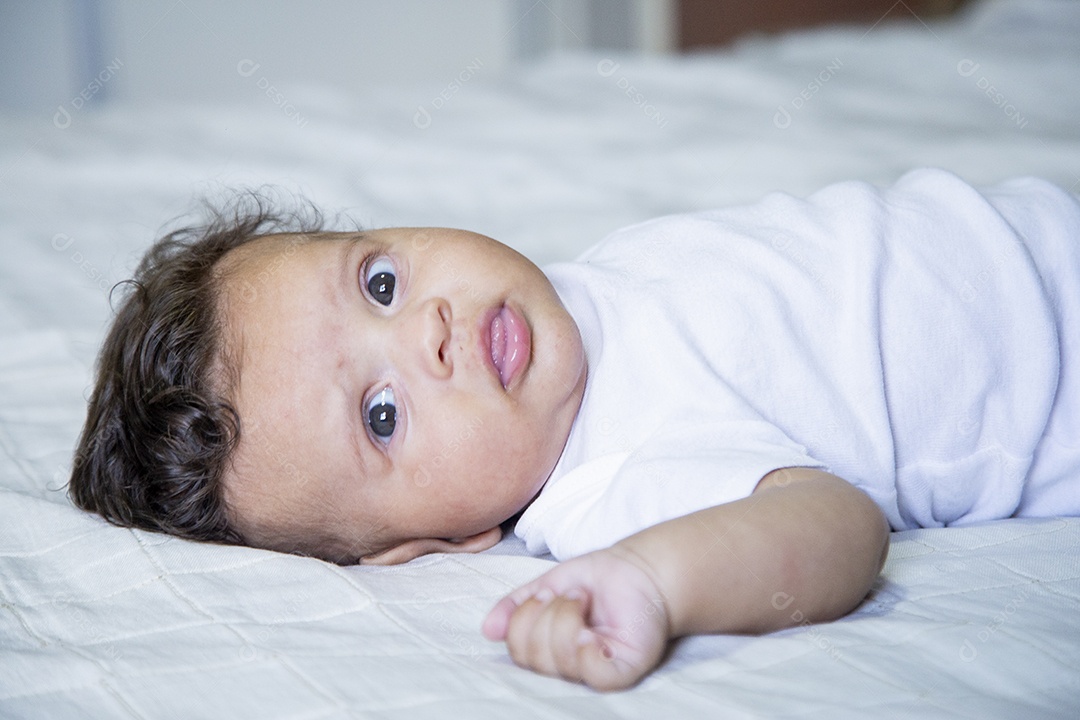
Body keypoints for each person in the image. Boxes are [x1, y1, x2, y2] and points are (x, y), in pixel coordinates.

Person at [68, 169, 1080, 690]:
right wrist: (655, 582)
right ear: (441, 543)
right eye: (382, 417)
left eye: (381, 282)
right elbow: (836, 530)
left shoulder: (577, 289)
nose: (431, 334)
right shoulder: (613, 480)